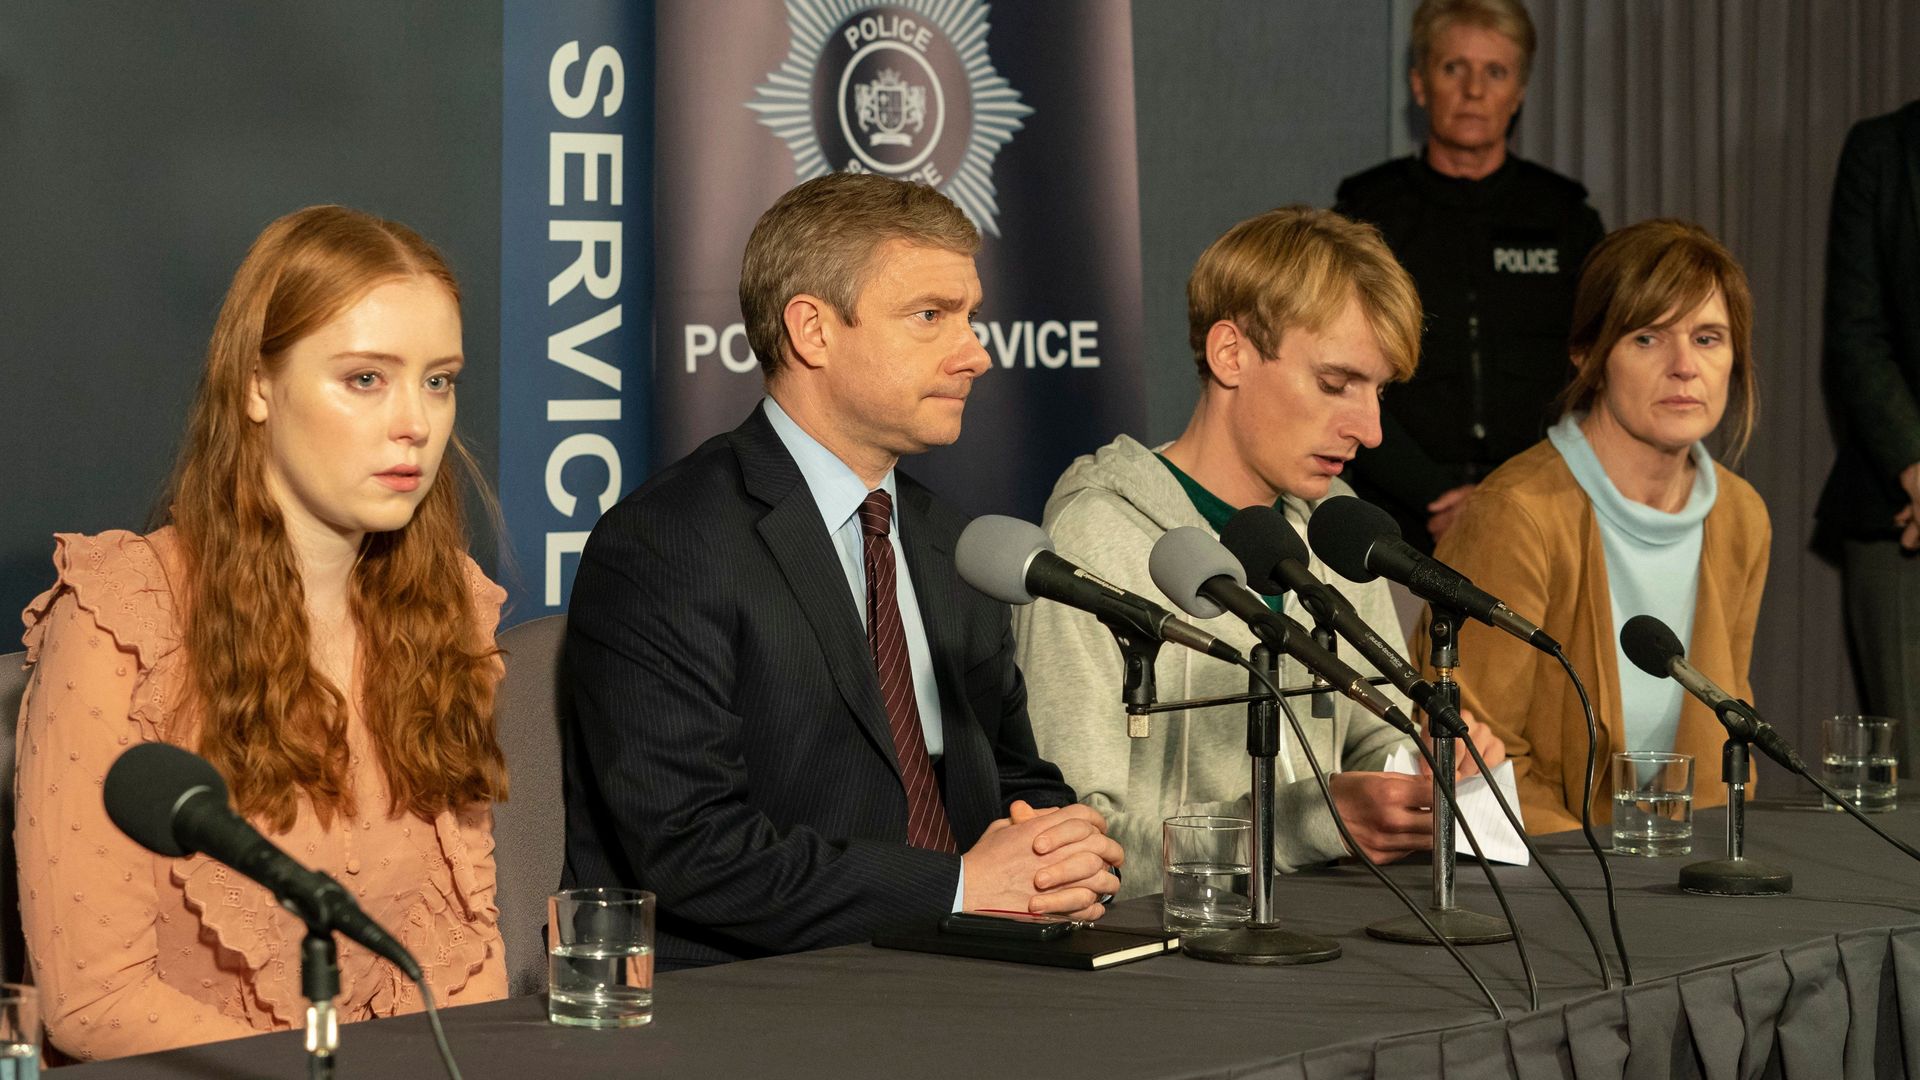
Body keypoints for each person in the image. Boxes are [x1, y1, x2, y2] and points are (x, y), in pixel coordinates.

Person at [561, 173, 1122, 969]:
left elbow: (1013, 774)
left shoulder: (954, 542)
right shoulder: (665, 544)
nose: (976, 355)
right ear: (813, 331)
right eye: (930, 317)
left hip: (972, 971)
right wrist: (960, 887)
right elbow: (690, 848)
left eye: (971, 317)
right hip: (758, 992)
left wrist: (1062, 849)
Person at [15, 206, 510, 1061]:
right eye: (366, 378)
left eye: (439, 381)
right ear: (256, 386)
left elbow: (468, 950)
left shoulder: (451, 608)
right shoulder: (120, 618)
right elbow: (94, 1001)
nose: (417, 423)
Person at [1015, 206, 1505, 897]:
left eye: (1379, 391)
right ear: (1230, 354)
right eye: (1335, 384)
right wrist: (1298, 825)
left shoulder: (1338, 528)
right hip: (1170, 946)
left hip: (1333, 931)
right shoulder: (1095, 539)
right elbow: (1070, 843)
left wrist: (1423, 767)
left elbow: (1372, 744)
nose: (1370, 430)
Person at [1426, 219, 1770, 834]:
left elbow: (1728, 735)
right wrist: (1607, 875)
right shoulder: (1517, 513)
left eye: (1708, 338)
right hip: (1553, 866)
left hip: (1690, 859)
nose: (1684, 366)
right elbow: (1474, 756)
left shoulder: (1741, 515)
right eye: (1647, 338)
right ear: (1587, 354)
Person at [1336, 0, 1605, 554]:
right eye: (1453, 67)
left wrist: (1507, 496)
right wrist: (1436, 496)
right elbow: (1338, 371)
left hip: (1546, 509)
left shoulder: (1566, 218)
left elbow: (1599, 374)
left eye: (1495, 72)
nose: (1474, 90)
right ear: (1420, 84)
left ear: (1519, 92)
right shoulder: (1366, 214)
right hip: (1395, 522)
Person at [1816, 100, 1920, 768]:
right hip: (1900, 509)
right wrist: (1915, 463)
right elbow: (1856, 333)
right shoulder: (1884, 150)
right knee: (1910, 777)